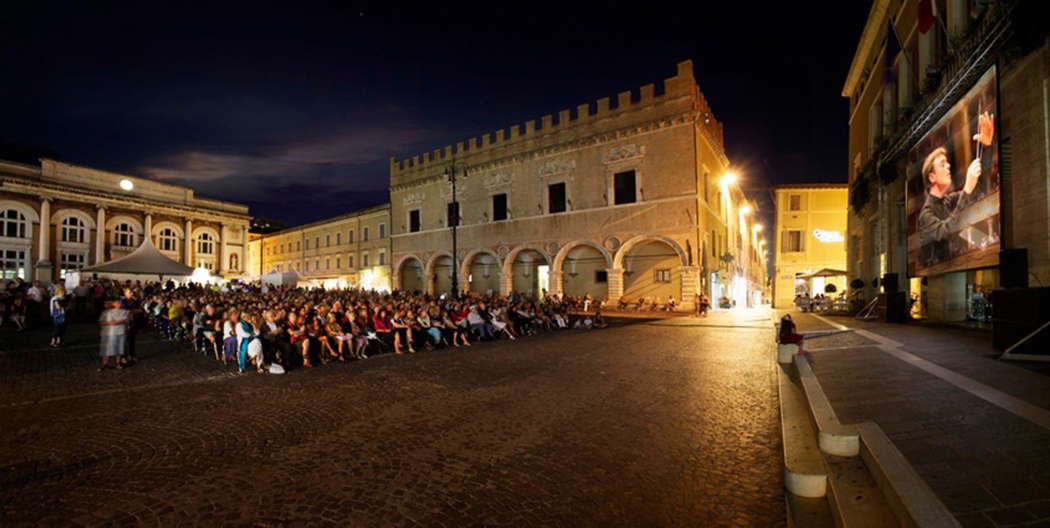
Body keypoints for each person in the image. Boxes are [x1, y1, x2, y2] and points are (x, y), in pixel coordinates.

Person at [917, 111, 994, 266]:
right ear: (932, 177)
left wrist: (986, 147)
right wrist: (966, 190)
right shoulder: (926, 214)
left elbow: (977, 189)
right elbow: (947, 232)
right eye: (942, 164)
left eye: (947, 162)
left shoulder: (948, 200)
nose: (948, 166)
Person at [98, 299, 128, 371]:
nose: (118, 304)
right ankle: (104, 363)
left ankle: (118, 363)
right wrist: (112, 323)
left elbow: (125, 320)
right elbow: (101, 322)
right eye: (116, 303)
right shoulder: (105, 312)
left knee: (119, 348)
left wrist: (113, 322)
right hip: (108, 333)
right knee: (106, 349)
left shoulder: (123, 312)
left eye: (119, 303)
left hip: (119, 332)